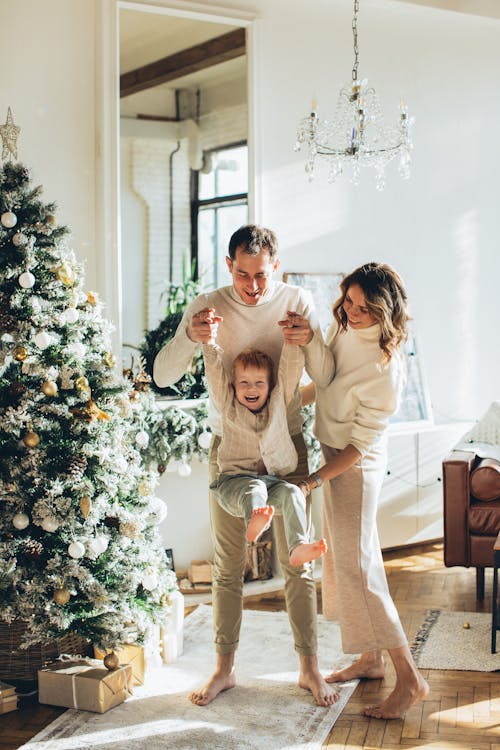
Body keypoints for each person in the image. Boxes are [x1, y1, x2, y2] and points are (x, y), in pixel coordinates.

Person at [153, 224, 338, 707]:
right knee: (227, 568)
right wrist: (191, 338)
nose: (252, 287)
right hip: (229, 448)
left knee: (297, 559)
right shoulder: (208, 304)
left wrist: (312, 338)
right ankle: (224, 669)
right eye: (241, 274)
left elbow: (326, 374)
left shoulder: (298, 300)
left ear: (275, 266)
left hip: (288, 445)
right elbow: (162, 375)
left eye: (260, 275)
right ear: (229, 266)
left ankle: (309, 669)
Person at [279, 262, 429, 719]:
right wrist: (283, 401)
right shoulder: (344, 329)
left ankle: (411, 680)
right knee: (349, 563)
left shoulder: (387, 369)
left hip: (355, 467)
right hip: (332, 455)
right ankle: (370, 659)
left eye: (364, 308)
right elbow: (327, 384)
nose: (352, 312)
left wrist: (315, 479)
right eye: (348, 301)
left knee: (360, 571)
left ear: (386, 311)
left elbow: (359, 448)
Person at [203, 340, 327, 566]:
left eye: (259, 383)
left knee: (292, 493)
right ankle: (255, 523)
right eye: (244, 383)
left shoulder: (277, 404)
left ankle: (298, 546)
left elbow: (289, 373)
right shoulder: (228, 405)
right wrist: (208, 343)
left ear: (270, 387)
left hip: (270, 484)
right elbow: (213, 373)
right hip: (232, 486)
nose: (251, 389)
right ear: (234, 385)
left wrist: (291, 342)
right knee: (255, 487)